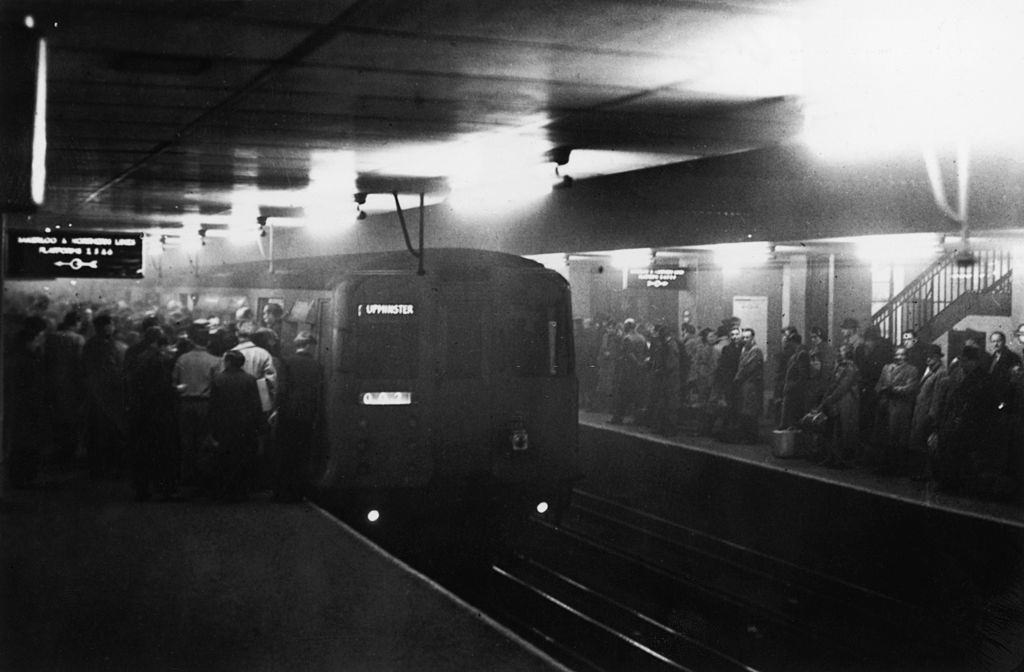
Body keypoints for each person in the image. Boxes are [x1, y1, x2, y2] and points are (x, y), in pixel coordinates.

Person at [126, 326, 179, 501]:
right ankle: (163, 489)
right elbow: (162, 385)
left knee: (142, 450)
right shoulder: (158, 359)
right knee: (161, 449)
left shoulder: (137, 355)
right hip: (157, 410)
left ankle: (142, 488)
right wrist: (174, 390)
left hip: (140, 408)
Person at [208, 350, 265, 500]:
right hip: (244, 426)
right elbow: (256, 405)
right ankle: (240, 490)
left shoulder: (218, 379)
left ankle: (224, 490)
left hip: (224, 424)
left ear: (227, 361)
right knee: (241, 457)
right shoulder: (250, 380)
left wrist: (211, 427)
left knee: (224, 457)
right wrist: (259, 426)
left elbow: (213, 405)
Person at [273, 331, 322, 501]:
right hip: (307, 415)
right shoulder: (317, 365)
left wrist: (276, 409)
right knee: (302, 454)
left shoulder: (286, 362)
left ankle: (281, 492)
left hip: (287, 414)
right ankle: (297, 492)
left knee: (285, 454)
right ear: (309, 345)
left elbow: (281, 389)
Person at [172, 322, 221, 489]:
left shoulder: (182, 359)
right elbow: (217, 386)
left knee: (186, 442)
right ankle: (202, 481)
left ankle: (186, 479)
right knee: (203, 442)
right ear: (208, 342)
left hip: (185, 404)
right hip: (205, 405)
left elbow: (174, 382)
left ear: (192, 341)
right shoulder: (215, 361)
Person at [4, 316, 49, 488]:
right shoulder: (27, 360)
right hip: (26, 408)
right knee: (25, 445)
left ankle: (20, 477)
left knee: (19, 444)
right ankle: (24, 478)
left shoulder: (13, 355)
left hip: (18, 407)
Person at [82, 314, 127, 479]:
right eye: (112, 324)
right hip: (109, 395)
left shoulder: (89, 345)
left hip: (95, 394)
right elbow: (116, 371)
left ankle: (98, 467)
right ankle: (109, 467)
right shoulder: (112, 347)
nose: (113, 327)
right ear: (106, 326)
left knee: (97, 432)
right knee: (109, 431)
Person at [44, 309, 86, 467]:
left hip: (53, 382)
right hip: (71, 384)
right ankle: (69, 454)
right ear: (76, 323)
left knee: (56, 418)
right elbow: (80, 363)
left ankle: (57, 451)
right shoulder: (78, 339)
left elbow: (46, 360)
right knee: (71, 420)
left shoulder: (51, 337)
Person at [871, 345, 919, 475]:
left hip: (900, 409)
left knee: (897, 438)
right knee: (883, 437)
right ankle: (883, 466)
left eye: (902, 354)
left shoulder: (912, 370)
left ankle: (896, 468)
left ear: (906, 356)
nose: (899, 357)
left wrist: (892, 389)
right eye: (897, 354)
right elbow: (879, 384)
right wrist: (879, 392)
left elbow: (910, 388)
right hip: (884, 407)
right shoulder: (886, 368)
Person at [813, 344, 860, 469]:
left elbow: (843, 387)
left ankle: (842, 460)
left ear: (849, 352)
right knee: (834, 429)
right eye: (840, 350)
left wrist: (829, 399)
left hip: (846, 401)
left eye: (843, 350)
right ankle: (832, 457)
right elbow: (832, 384)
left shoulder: (851, 367)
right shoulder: (840, 365)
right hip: (836, 400)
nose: (840, 352)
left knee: (843, 429)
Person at [908, 344, 949, 481]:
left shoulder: (941, 373)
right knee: (918, 443)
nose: (928, 360)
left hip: (927, 414)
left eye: (931, 357)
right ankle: (920, 472)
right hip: (920, 411)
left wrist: (931, 416)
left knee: (924, 444)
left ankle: (925, 474)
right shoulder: (930, 370)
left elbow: (937, 397)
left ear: (937, 358)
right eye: (927, 357)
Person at [610, 319, 648, 425]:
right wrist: (641, 364)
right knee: (638, 396)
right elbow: (646, 353)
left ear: (627, 326)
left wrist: (636, 363)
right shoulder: (642, 338)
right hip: (639, 372)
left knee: (622, 395)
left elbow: (629, 354)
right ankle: (638, 419)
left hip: (628, 371)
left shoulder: (627, 338)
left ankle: (618, 418)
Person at [648, 324, 681, 436]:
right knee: (665, 403)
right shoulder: (669, 344)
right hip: (668, 378)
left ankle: (670, 428)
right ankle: (664, 427)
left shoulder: (671, 346)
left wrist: (660, 371)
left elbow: (671, 364)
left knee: (669, 404)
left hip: (670, 379)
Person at [733, 328, 764, 444]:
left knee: (750, 411)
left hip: (751, 385)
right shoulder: (744, 349)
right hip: (744, 384)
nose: (745, 340)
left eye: (748, 337)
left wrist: (738, 378)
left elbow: (747, 368)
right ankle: (746, 436)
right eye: (744, 337)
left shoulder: (756, 351)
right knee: (745, 411)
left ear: (752, 338)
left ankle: (751, 438)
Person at [778, 332, 811, 430]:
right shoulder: (795, 355)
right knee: (788, 417)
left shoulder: (802, 354)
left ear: (793, 342)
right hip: (791, 390)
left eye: (789, 342)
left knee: (793, 417)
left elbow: (802, 375)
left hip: (795, 392)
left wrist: (792, 386)